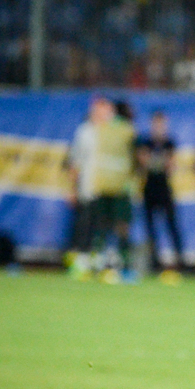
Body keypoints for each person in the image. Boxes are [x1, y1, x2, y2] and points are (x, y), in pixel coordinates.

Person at [81, 97, 136, 284]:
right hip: (119, 186)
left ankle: (97, 265)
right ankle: (123, 267)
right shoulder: (127, 130)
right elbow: (136, 157)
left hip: (103, 184)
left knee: (102, 226)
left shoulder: (101, 128)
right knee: (120, 228)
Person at [137, 110, 184, 283]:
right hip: (150, 189)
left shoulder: (169, 142)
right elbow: (143, 162)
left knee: (172, 225)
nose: (159, 127)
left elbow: (170, 165)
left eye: (161, 124)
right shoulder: (146, 142)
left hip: (164, 189)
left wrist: (155, 162)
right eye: (156, 123)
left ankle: (180, 261)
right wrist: (158, 162)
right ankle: (154, 261)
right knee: (151, 228)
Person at [65, 97, 108, 280]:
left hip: (107, 190)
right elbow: (75, 162)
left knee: (102, 228)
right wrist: (72, 189)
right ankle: (80, 265)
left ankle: (97, 264)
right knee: (84, 226)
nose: (103, 114)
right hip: (88, 187)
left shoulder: (111, 133)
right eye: (100, 110)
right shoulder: (84, 132)